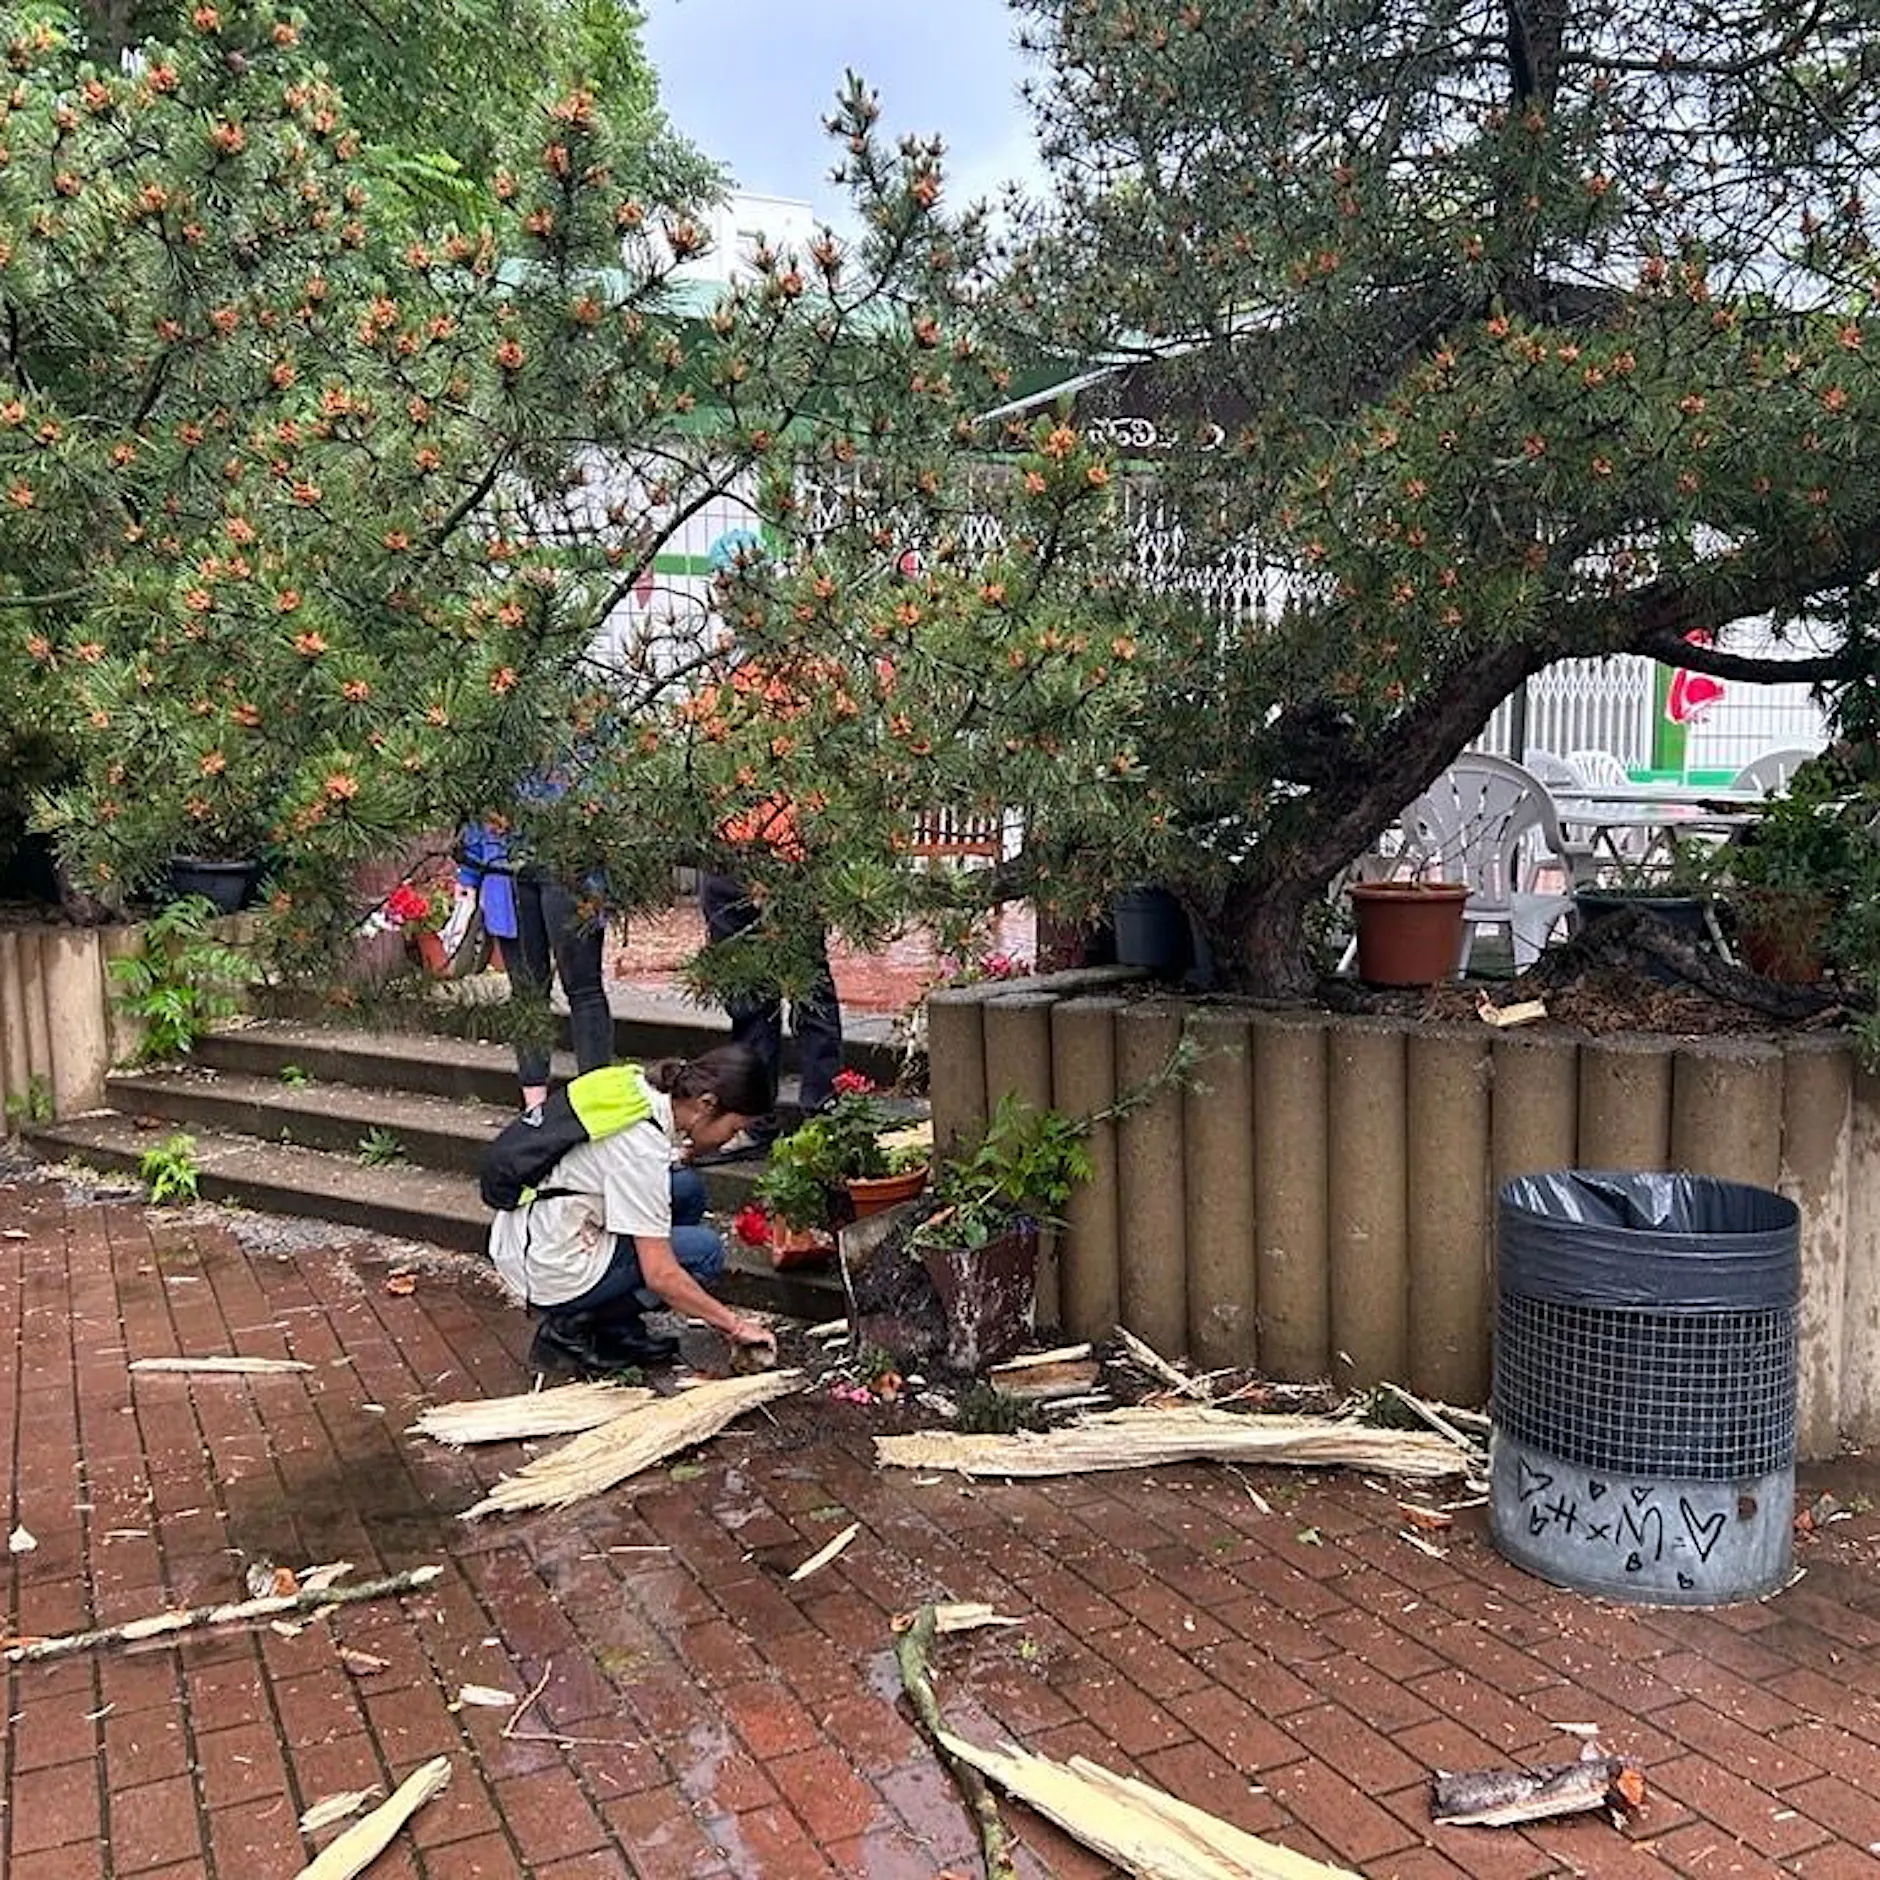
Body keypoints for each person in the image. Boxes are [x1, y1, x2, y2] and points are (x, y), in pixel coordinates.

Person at [488, 1044, 779, 1372]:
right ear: (706, 1103)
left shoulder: (634, 1085)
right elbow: (661, 1276)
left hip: (532, 1231)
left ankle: (616, 1325)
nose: (729, 1141)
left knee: (685, 1189)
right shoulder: (640, 1148)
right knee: (705, 1251)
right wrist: (735, 1326)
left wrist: (688, 1151)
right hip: (552, 1266)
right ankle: (573, 1325)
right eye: (733, 1129)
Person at [697, 866, 843, 1153]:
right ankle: (754, 1120)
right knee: (748, 1004)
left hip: (791, 859)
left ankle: (823, 1117)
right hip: (726, 858)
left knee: (810, 996)